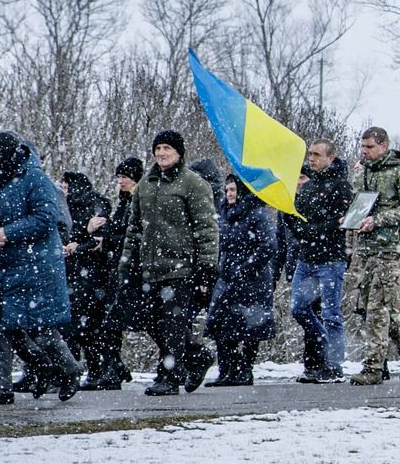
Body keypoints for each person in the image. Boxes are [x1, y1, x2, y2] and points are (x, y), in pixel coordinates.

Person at [0, 131, 86, 401]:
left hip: (35, 265)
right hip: (1, 266)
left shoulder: (34, 179)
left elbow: (46, 218)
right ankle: (2, 388)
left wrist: (8, 233)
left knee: (40, 327)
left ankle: (70, 370)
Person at [117, 129, 221, 396]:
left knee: (172, 322)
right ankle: (196, 354)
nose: (162, 153)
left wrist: (207, 266)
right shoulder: (145, 185)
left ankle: (170, 376)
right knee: (148, 319)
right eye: (158, 148)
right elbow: (134, 228)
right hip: (149, 268)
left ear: (179, 153)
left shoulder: (193, 184)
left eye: (167, 148)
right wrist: (126, 264)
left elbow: (207, 228)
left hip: (181, 266)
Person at [347, 126, 400, 384]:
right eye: (362, 146)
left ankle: (374, 368)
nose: (364, 151)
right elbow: (360, 202)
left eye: (369, 146)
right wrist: (352, 219)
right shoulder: (362, 171)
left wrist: (378, 220)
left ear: (383, 145)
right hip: (366, 249)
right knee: (380, 309)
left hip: (390, 249)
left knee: (377, 309)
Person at [206, 175, 284, 387]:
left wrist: (246, 268)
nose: (229, 194)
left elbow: (268, 246)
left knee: (250, 326)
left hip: (252, 280)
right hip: (227, 276)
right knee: (221, 323)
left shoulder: (257, 213)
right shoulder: (225, 213)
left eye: (233, 190)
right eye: (227, 190)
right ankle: (227, 370)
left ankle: (244, 369)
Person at [288, 139, 353, 383]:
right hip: (306, 257)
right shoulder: (310, 185)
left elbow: (337, 223)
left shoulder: (341, 186)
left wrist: (311, 229)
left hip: (330, 259)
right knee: (298, 308)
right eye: (310, 154)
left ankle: (334, 365)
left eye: (316, 155)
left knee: (331, 313)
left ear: (330, 158)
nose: (311, 159)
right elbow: (298, 220)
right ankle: (324, 344)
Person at [80, 156, 143, 389]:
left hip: (131, 270)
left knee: (114, 322)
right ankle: (114, 367)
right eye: (119, 177)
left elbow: (130, 234)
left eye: (124, 177)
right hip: (118, 268)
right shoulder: (125, 201)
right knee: (111, 322)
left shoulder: (137, 201)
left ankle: (114, 369)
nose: (120, 181)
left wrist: (106, 238)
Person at [59, 170, 121, 386]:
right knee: (78, 326)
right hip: (75, 273)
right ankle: (88, 369)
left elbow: (97, 240)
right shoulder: (68, 208)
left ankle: (95, 370)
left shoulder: (95, 206)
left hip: (92, 275)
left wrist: (78, 243)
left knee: (87, 326)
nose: (64, 192)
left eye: (67, 187)